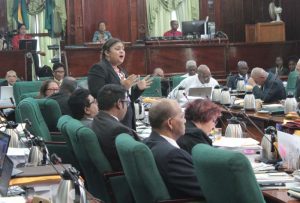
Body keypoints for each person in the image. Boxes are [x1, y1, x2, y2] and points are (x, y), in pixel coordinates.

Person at [144, 99, 202, 199]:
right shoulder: (173, 156)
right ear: (170, 123)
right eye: (182, 117)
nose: (185, 121)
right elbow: (205, 189)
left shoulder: (147, 142)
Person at [88, 38, 152, 129]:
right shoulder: (99, 68)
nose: (122, 51)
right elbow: (97, 93)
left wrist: (138, 89)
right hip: (112, 120)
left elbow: (127, 98)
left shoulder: (122, 71)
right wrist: (122, 87)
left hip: (127, 118)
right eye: (117, 49)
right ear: (107, 53)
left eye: (123, 49)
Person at [91, 84, 140, 171]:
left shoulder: (96, 120)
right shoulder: (119, 130)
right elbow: (139, 161)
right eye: (127, 103)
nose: (127, 107)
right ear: (119, 104)